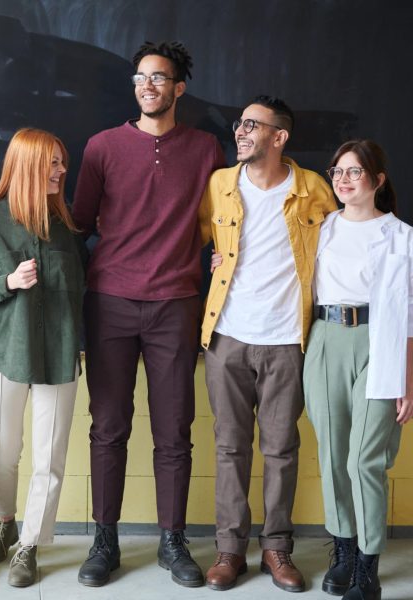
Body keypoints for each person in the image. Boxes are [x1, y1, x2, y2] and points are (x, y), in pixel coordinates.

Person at [71, 41, 225, 588]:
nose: (148, 86)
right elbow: (80, 224)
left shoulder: (207, 149)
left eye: (159, 78)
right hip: (110, 300)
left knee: (174, 430)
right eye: (141, 78)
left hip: (177, 303)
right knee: (108, 427)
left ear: (179, 87)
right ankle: (104, 539)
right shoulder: (102, 146)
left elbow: (223, 221)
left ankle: (172, 540)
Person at [199, 96, 337, 592]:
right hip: (227, 338)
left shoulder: (314, 189)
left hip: (287, 340)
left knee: (281, 448)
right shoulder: (220, 184)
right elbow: (199, 237)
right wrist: (213, 260)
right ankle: (229, 551)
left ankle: (276, 548)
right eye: (240, 123)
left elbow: (340, 248)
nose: (240, 131)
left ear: (279, 137)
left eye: (252, 125)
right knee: (230, 447)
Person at [0, 128, 85, 587]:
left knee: (50, 456)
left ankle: (30, 544)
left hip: (58, 355)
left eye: (62, 163)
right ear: (27, 164)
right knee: (4, 451)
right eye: (52, 163)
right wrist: (7, 283)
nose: (60, 171)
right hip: (4, 352)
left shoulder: (66, 228)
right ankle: (6, 520)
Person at [303, 140, 413, 600]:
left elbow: (408, 312)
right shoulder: (321, 227)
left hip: (379, 344)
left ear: (378, 180)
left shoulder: (402, 236)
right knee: (331, 455)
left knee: (362, 459)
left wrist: (408, 379)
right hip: (326, 339)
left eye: (354, 171)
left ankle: (368, 567)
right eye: (337, 171)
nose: (343, 180)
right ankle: (343, 552)